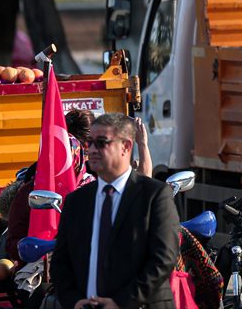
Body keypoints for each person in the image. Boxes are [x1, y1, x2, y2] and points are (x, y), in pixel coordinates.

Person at [52, 112, 179, 309]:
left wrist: (120, 303)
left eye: (101, 143)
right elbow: (61, 262)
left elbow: (163, 259)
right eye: (89, 143)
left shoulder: (155, 195)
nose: (92, 150)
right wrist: (74, 301)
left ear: (126, 146)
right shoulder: (76, 200)